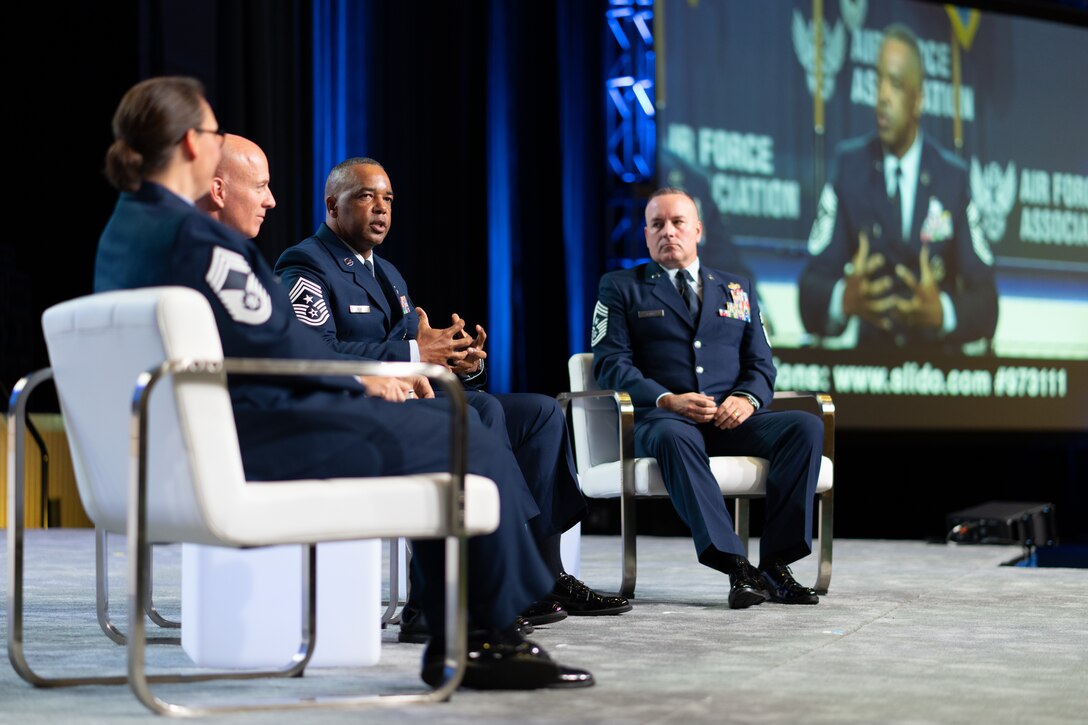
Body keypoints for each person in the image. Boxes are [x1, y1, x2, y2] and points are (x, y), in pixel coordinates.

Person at [93, 75, 593, 690]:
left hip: (187, 443)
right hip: (258, 433)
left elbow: (257, 340)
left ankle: (461, 626)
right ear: (195, 146)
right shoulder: (201, 240)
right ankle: (482, 637)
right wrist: (359, 381)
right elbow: (280, 343)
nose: (273, 201)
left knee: (456, 419)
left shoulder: (125, 229)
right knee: (463, 432)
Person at [271, 157, 631, 641]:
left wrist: (460, 363)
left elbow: (419, 364)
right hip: (358, 411)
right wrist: (418, 351)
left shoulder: (391, 276)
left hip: (413, 400)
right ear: (332, 204)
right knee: (480, 412)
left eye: (389, 199)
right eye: (366, 196)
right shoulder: (307, 263)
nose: (381, 208)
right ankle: (483, 584)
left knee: (541, 412)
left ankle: (547, 578)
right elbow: (315, 351)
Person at [592, 186, 824, 609]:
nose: (668, 232)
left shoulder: (737, 288)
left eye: (678, 222)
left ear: (697, 230)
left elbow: (761, 365)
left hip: (730, 420)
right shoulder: (621, 287)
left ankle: (775, 563)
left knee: (805, 425)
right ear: (645, 235)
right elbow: (611, 365)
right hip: (666, 421)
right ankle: (735, 565)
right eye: (657, 224)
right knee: (673, 437)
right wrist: (667, 399)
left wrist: (747, 400)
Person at [798, 23, 998, 352]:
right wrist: (843, 299)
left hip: (938, 381)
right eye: (878, 82)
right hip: (869, 377)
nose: (882, 98)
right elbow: (809, 294)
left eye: (895, 84)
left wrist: (943, 312)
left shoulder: (953, 179)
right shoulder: (850, 169)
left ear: (918, 100)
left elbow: (988, 303)